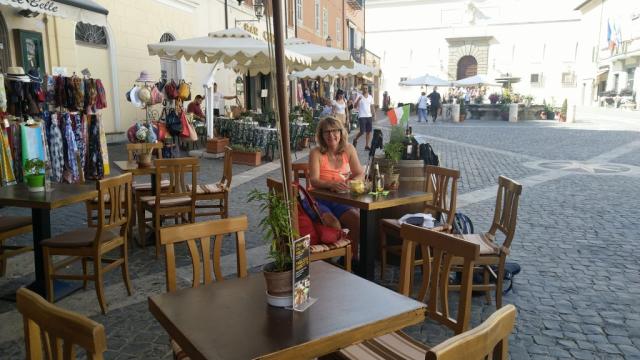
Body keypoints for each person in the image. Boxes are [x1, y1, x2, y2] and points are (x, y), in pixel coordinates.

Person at [309, 116, 363, 257]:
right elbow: (314, 180)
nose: (331, 135)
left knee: (357, 220)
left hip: (341, 199)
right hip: (318, 200)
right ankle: (331, 259)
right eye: (326, 132)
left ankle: (352, 257)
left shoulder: (349, 149)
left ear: (341, 132)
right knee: (334, 224)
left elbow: (359, 173)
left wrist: (350, 183)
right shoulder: (316, 153)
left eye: (335, 131)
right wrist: (331, 184)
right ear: (321, 135)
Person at [352, 85, 375, 150]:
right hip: (362, 116)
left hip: (369, 116)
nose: (365, 89)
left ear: (368, 89)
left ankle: (367, 146)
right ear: (362, 89)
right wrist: (358, 100)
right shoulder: (359, 96)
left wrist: (374, 114)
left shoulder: (370, 97)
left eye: (366, 88)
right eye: (364, 88)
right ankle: (355, 139)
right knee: (362, 131)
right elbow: (355, 106)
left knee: (368, 132)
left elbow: (372, 106)